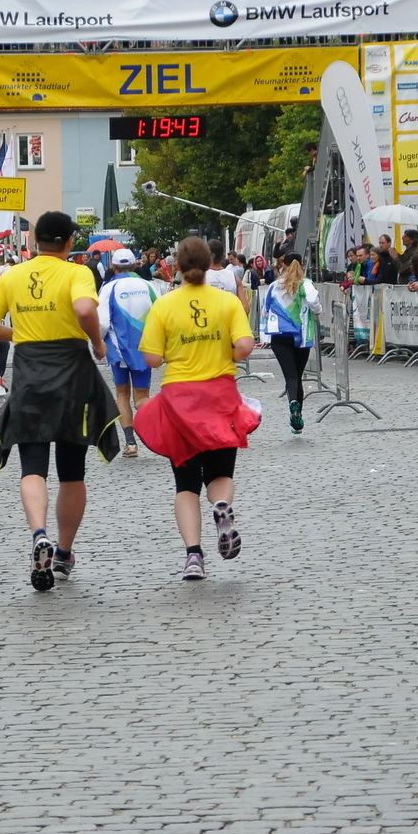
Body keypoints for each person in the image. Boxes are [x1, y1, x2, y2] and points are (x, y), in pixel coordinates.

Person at [0, 210, 120, 590]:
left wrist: (19, 332)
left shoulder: (12, 275)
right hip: (72, 373)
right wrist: (97, 342)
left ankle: (39, 533)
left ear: (36, 240)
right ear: (69, 242)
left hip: (30, 374)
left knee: (32, 466)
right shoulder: (77, 273)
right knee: (72, 470)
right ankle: (64, 554)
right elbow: (85, 309)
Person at [134, 236, 257, 582]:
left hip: (180, 400)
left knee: (185, 483)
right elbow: (245, 345)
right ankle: (221, 507)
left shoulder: (164, 305)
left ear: (176, 266)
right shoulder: (227, 302)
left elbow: (152, 359)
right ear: (210, 264)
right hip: (220, 396)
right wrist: (225, 353)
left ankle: (193, 556)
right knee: (221, 473)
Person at [97, 249, 162, 459]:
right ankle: (160, 431)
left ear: (113, 267)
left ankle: (131, 443)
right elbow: (161, 313)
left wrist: (98, 343)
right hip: (145, 348)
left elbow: (102, 323)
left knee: (122, 395)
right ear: (134, 265)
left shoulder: (108, 288)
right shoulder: (148, 285)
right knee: (142, 397)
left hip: (119, 350)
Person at [260, 251, 318, 434]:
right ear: (302, 265)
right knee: (298, 376)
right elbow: (313, 301)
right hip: (300, 336)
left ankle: (293, 403)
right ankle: (297, 416)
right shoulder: (305, 284)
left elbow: (265, 312)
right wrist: (316, 310)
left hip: (280, 336)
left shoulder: (275, 286)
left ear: (283, 265)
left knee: (290, 376)